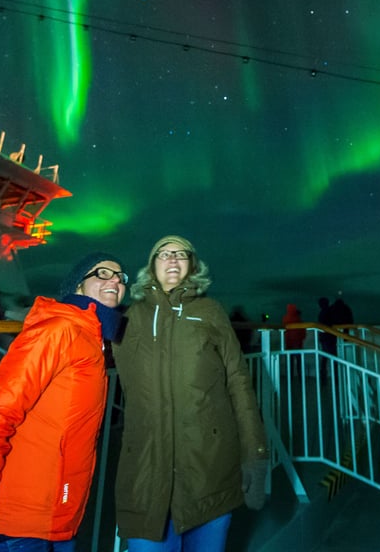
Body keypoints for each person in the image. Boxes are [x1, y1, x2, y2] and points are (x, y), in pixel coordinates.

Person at [0, 252, 127, 552]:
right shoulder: (57, 331)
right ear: (77, 286)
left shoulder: (91, 338)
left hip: (58, 516)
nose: (115, 280)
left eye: (120, 277)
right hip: (23, 522)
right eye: (102, 273)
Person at [112, 235, 268, 552]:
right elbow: (80, 323)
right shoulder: (129, 319)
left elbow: (238, 381)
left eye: (181, 254)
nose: (172, 259)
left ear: (193, 266)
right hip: (146, 475)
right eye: (163, 254)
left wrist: (255, 454)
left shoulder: (210, 311)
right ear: (151, 266)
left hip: (209, 471)